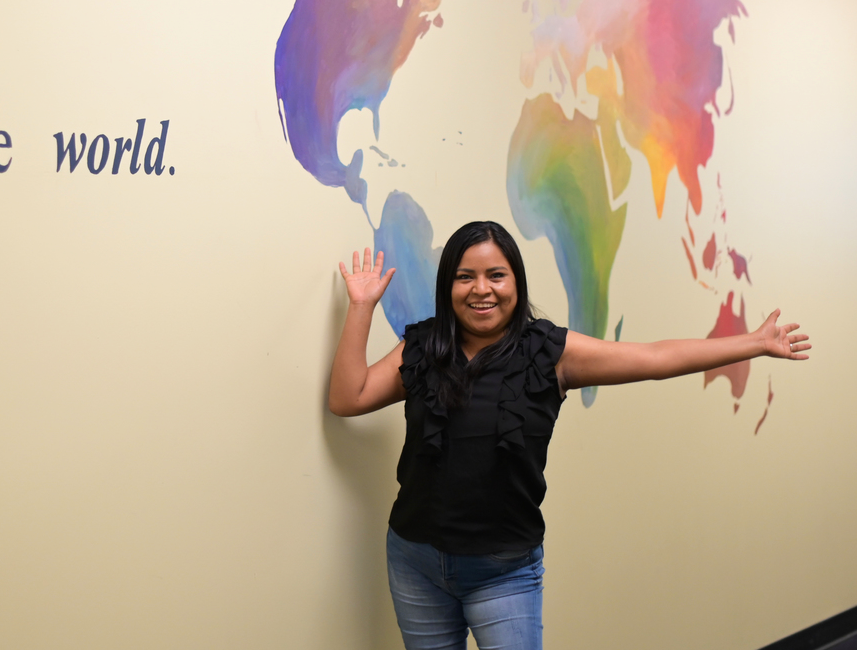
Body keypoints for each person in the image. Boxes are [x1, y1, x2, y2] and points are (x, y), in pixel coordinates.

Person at [327, 221, 810, 650]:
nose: (481, 290)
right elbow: (349, 397)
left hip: (503, 571)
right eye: (464, 277)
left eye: (496, 275)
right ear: (447, 286)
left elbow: (655, 359)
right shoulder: (423, 345)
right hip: (415, 561)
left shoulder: (549, 352)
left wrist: (753, 342)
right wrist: (363, 306)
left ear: (515, 280)